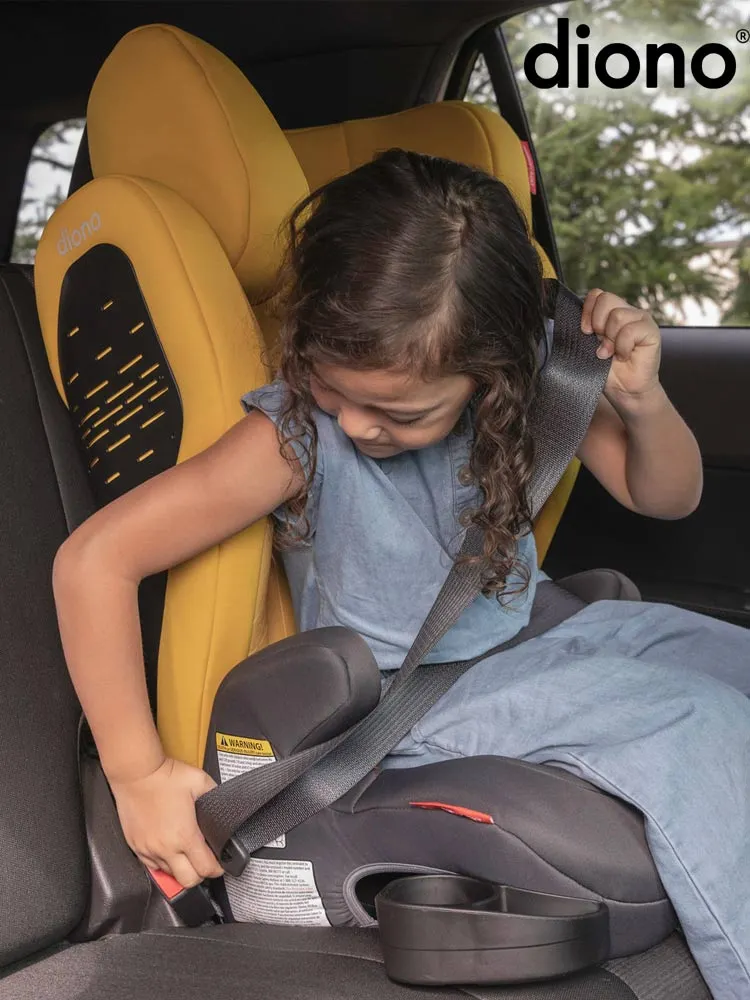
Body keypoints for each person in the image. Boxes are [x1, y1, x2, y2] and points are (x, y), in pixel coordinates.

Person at [52, 149, 749, 999]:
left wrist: (641, 401)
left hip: (537, 634)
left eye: (400, 411)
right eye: (333, 386)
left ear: (488, 373)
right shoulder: (295, 436)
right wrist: (140, 777)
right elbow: (94, 559)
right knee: (700, 724)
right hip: (411, 700)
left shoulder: (525, 382)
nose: (358, 423)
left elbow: (664, 496)